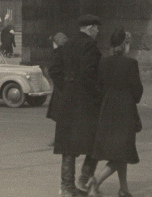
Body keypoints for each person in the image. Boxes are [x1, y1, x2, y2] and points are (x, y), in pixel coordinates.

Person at [88, 29, 143, 197]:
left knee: (120, 151)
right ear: (125, 44)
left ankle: (124, 189)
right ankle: (95, 181)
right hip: (125, 113)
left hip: (107, 111)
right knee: (122, 152)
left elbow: (98, 88)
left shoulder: (103, 63)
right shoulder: (131, 64)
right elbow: (137, 92)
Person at [54, 14, 102, 197]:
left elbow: (54, 70)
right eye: (97, 29)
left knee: (68, 147)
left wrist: (66, 87)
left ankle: (67, 187)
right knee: (94, 142)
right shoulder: (90, 46)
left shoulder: (67, 45)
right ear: (90, 29)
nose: (98, 32)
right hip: (86, 103)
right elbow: (92, 75)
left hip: (67, 101)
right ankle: (84, 181)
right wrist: (97, 95)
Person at [46, 32, 69, 146]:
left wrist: (60, 84)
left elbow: (53, 71)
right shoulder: (68, 53)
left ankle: (59, 139)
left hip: (61, 89)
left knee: (60, 115)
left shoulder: (57, 54)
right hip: (67, 86)